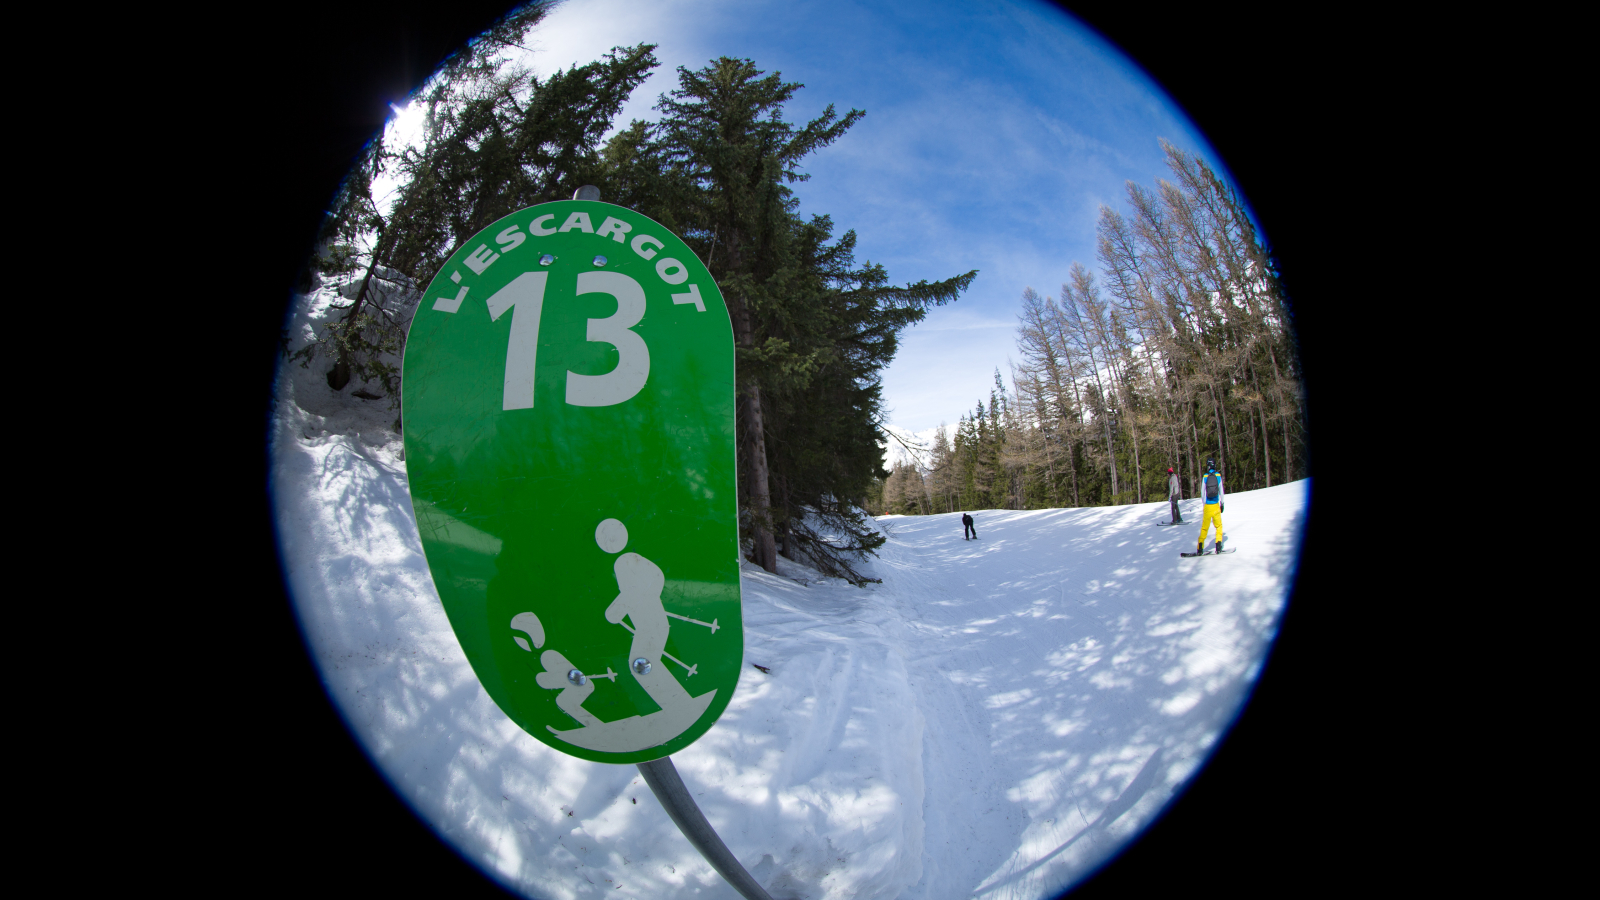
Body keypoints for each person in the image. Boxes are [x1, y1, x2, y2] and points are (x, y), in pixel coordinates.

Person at [1196, 459, 1225, 555]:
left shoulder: (1205, 476)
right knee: (1219, 526)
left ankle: (1200, 546)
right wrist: (1222, 503)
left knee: (1205, 528)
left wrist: (1204, 504)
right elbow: (1221, 490)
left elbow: (1202, 492)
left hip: (1208, 506)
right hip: (1216, 505)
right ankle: (1218, 545)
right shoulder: (1218, 476)